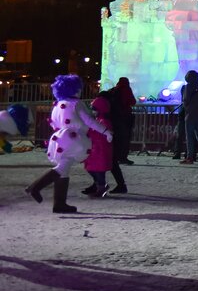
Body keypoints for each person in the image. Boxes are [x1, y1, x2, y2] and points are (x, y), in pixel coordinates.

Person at [26, 74, 111, 214]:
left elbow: (54, 122)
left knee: (64, 170)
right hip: (74, 140)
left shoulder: (58, 105)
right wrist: (106, 131)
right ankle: (35, 187)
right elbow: (89, 121)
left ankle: (59, 204)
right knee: (62, 168)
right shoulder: (76, 104)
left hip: (60, 139)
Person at [83, 92, 119, 198]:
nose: (93, 112)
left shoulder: (104, 121)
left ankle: (101, 186)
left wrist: (89, 133)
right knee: (92, 168)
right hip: (95, 150)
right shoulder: (98, 120)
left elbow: (99, 134)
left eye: (95, 109)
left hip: (100, 150)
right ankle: (100, 185)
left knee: (98, 170)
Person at [111, 76, 136, 166]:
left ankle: (114, 157)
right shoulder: (126, 89)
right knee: (125, 139)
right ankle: (123, 157)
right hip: (125, 117)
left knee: (116, 139)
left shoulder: (113, 90)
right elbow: (133, 101)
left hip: (114, 118)